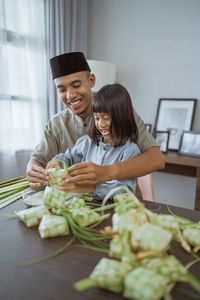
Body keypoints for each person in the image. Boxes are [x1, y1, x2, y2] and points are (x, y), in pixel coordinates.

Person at [27, 52, 164, 193]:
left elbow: (156, 158)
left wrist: (106, 172)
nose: (70, 95)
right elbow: (37, 160)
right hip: (75, 204)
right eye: (62, 90)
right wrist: (35, 171)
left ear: (91, 80)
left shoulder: (120, 114)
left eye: (76, 85)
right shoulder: (57, 124)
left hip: (120, 202)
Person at [48, 83, 140, 199]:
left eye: (106, 118)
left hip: (112, 211)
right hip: (84, 206)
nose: (100, 124)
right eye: (97, 118)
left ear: (122, 117)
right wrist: (57, 162)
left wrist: (87, 188)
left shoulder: (130, 151)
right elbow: (68, 158)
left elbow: (124, 190)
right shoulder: (86, 142)